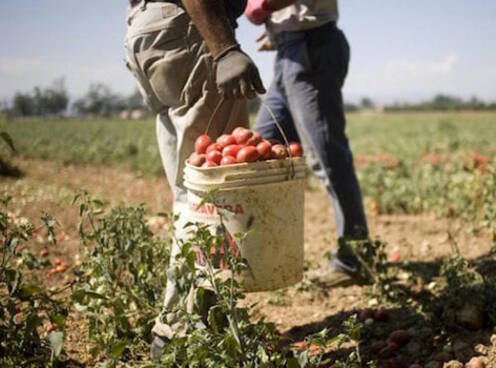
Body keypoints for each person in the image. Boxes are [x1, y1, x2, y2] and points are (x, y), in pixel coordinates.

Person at [123, 0, 265, 359]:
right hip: (190, 29)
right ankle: (180, 333)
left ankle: (199, 322)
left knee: (191, 194)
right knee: (212, 195)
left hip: (149, 32)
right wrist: (225, 48)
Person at [244, 0, 369, 286]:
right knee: (261, 149)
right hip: (290, 50)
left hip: (313, 46)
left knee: (327, 157)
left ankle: (354, 259)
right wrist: (277, 28)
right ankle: (265, 254)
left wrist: (261, 7)